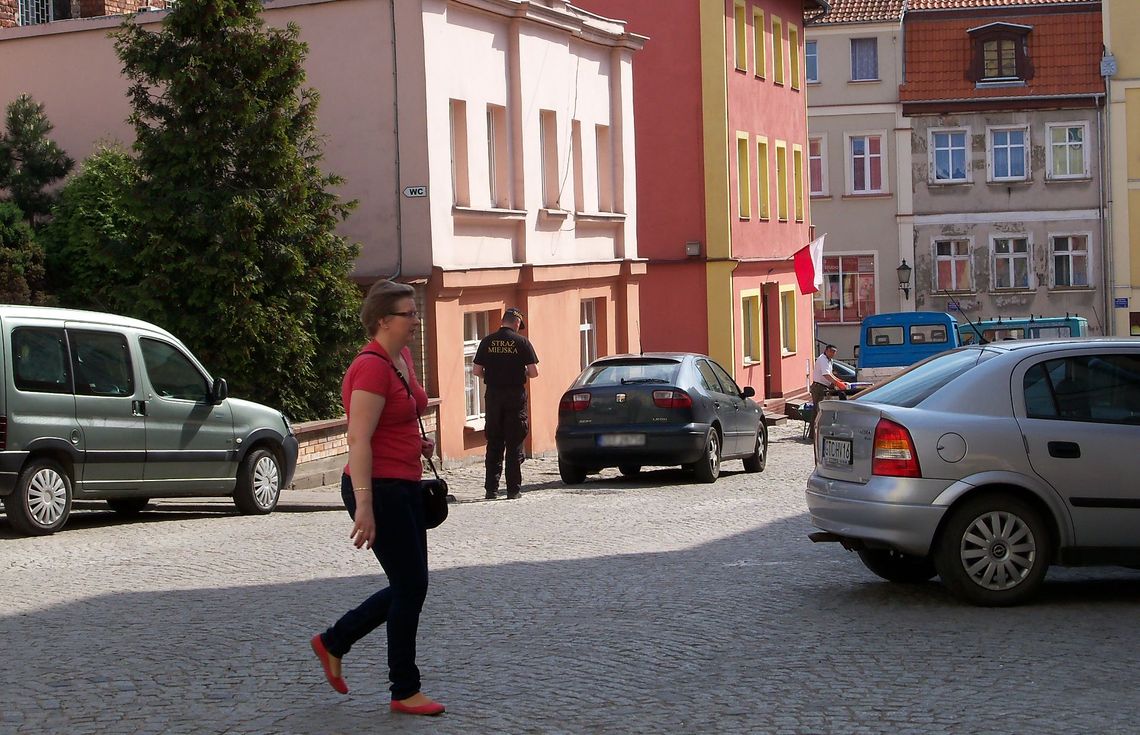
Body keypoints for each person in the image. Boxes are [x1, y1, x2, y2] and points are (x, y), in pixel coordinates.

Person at [310, 280, 445, 717]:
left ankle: (334, 642)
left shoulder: (401, 358)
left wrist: (417, 445)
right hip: (378, 488)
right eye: (409, 314)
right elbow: (358, 438)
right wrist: (364, 506)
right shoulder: (369, 367)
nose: (416, 321)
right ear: (384, 319)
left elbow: (401, 415)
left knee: (410, 585)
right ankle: (403, 688)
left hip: (404, 482)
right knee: (411, 586)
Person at [473, 307, 539, 500]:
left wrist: (493, 376)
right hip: (514, 397)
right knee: (514, 443)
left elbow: (477, 371)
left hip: (493, 396)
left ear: (503, 321)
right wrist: (518, 373)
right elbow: (534, 372)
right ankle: (513, 490)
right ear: (517, 323)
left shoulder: (487, 341)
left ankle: (491, 490)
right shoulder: (522, 342)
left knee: (494, 443)